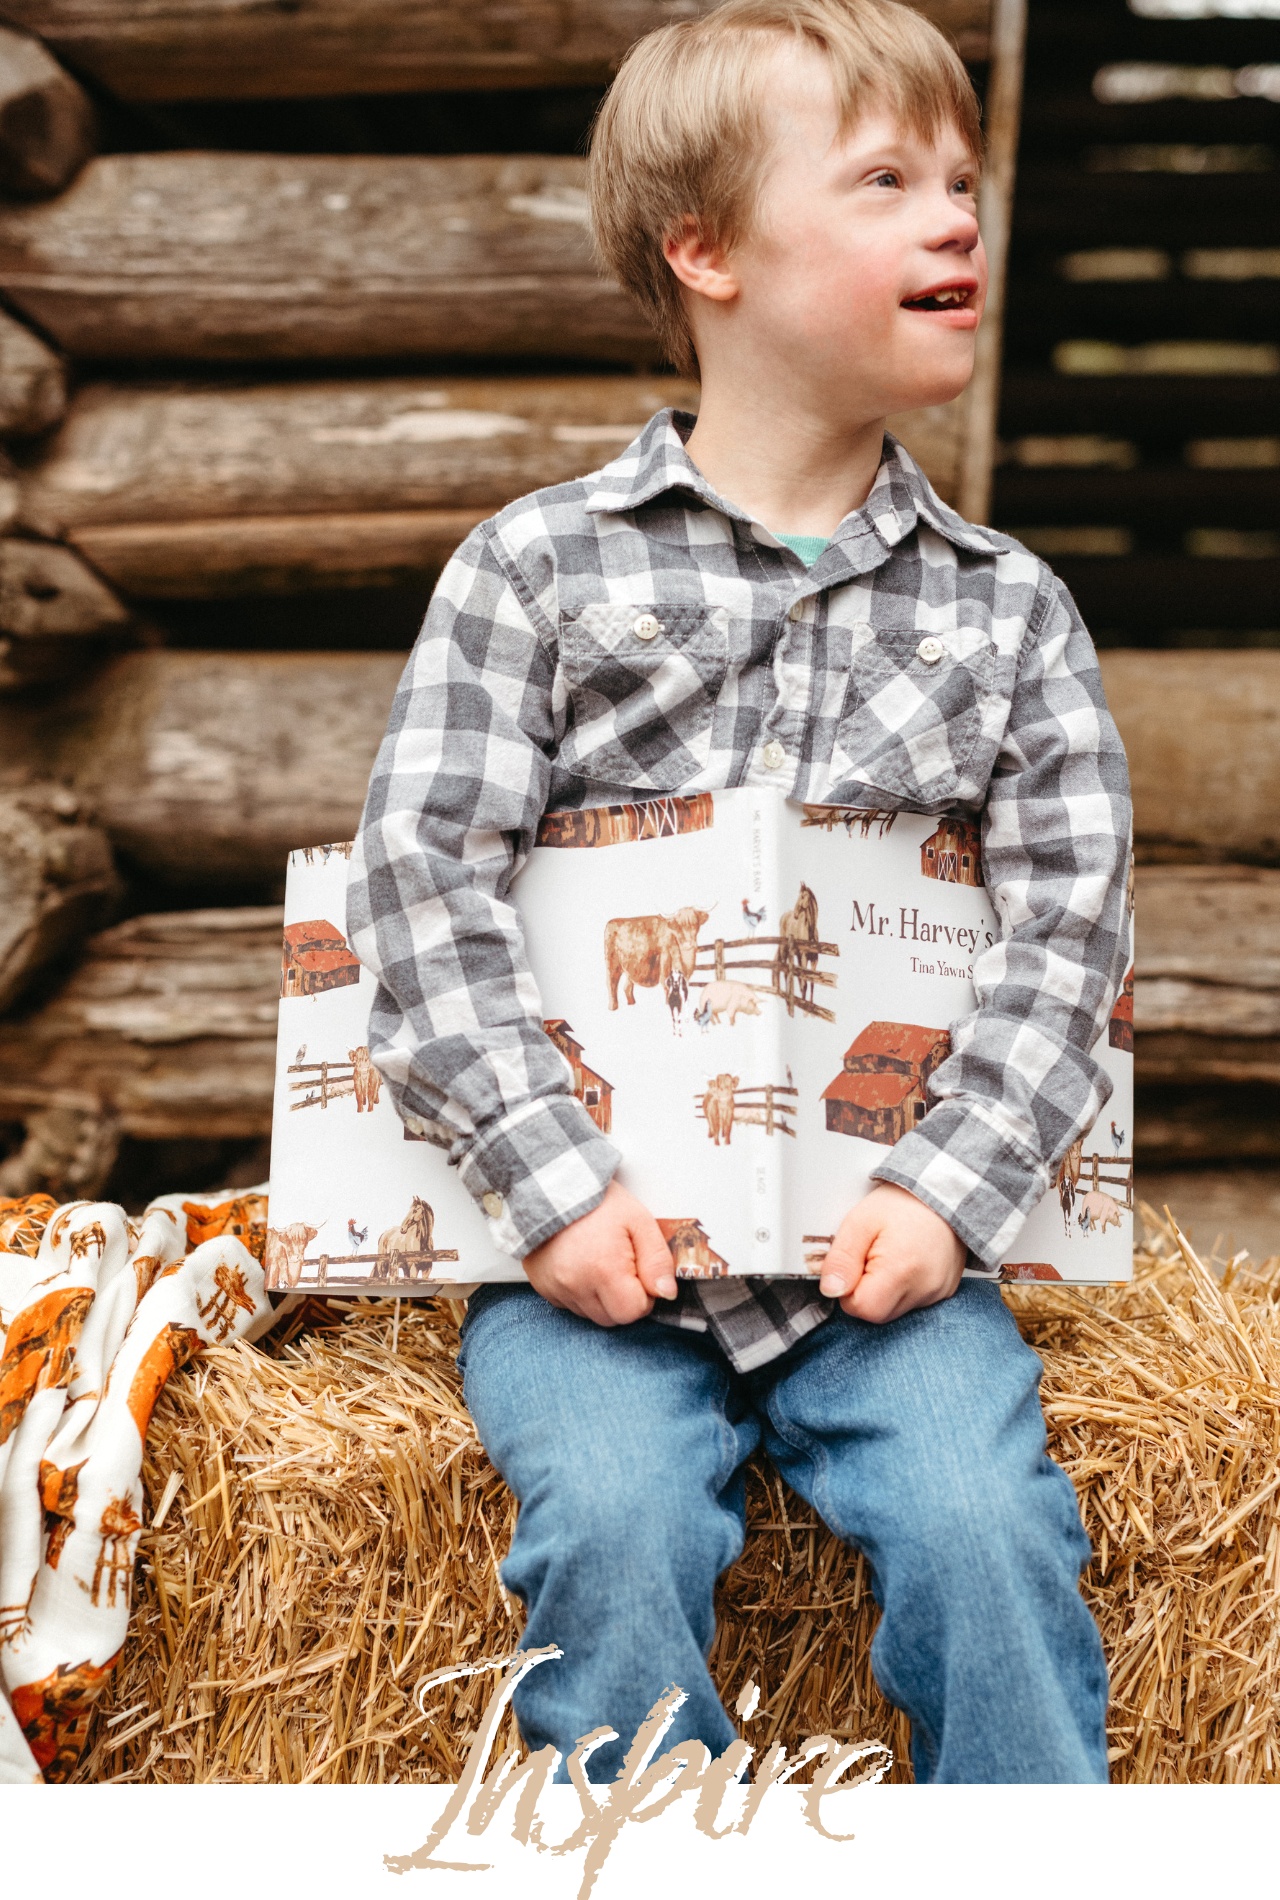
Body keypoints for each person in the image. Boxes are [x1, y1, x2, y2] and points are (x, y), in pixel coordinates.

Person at [348, 0, 1131, 1784]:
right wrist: (549, 1189)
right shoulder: (535, 573)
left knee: (985, 1530)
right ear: (704, 252)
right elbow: (421, 892)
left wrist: (947, 1194)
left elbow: (1066, 932)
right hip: (590, 1267)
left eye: (959, 179)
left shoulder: (1010, 612)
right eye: (883, 182)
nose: (956, 216)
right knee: (609, 1534)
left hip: (888, 1268)